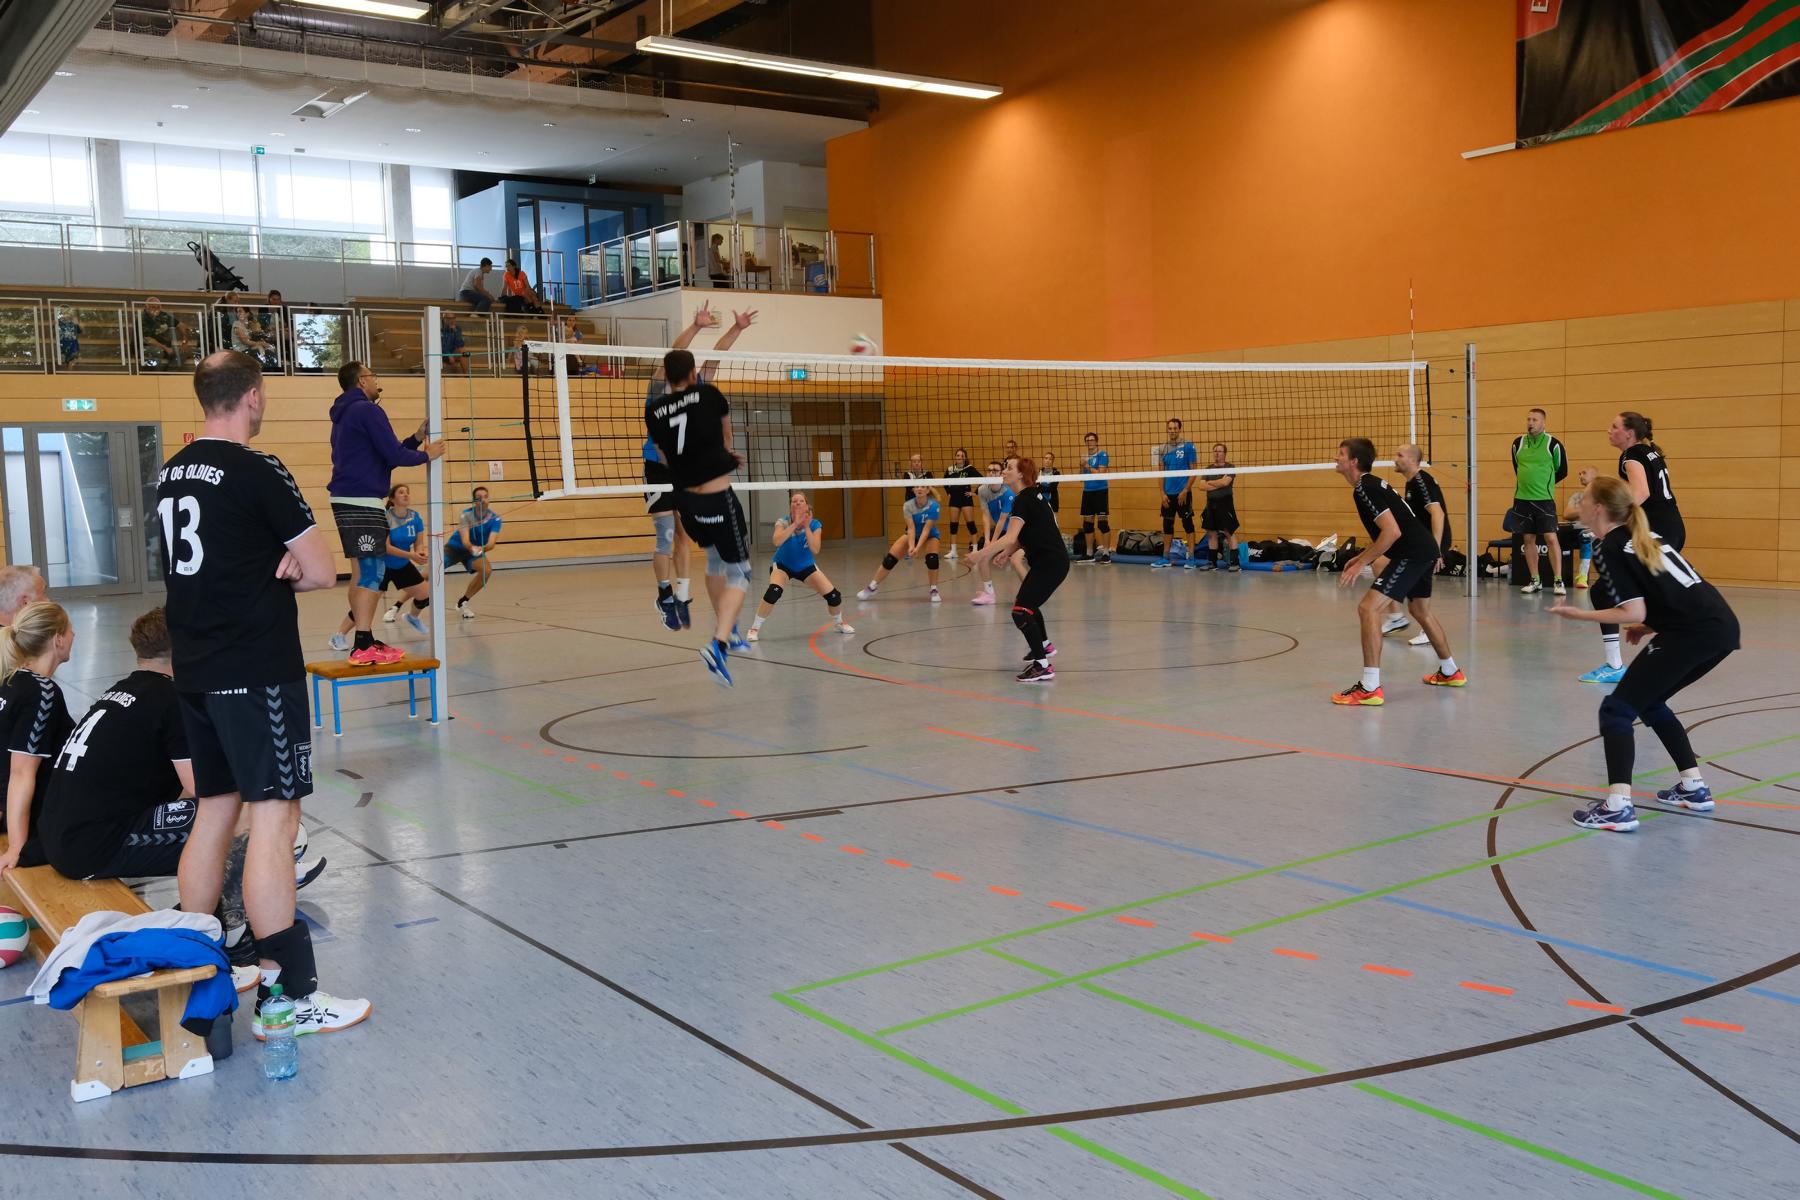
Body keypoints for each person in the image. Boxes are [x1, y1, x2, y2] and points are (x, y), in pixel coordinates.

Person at [158, 349, 368, 1037]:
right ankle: (287, 999)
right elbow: (323, 572)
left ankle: (206, 968)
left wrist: (264, 562)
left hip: (194, 670)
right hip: (254, 670)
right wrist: (282, 567)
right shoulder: (258, 467)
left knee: (215, 810)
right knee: (275, 820)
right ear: (252, 395)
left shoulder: (170, 472)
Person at [36, 609, 322, 960]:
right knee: (254, 824)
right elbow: (205, 789)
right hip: (90, 847)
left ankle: (225, 896)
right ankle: (234, 922)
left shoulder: (123, 689)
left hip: (62, 836)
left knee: (230, 819)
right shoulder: (170, 699)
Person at [1548, 475, 1737, 831]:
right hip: (1721, 627)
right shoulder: (1642, 535)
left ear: (1598, 508)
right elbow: (1672, 592)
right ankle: (1694, 787)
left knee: (1616, 710)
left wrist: (1579, 614)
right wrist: (1648, 625)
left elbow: (1631, 610)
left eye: (1583, 498)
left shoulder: (1610, 546)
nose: (1577, 504)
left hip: (1692, 632)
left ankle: (1618, 807)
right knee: (1650, 702)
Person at [645, 347, 753, 686]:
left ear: (667, 375)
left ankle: (727, 627)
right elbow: (727, 437)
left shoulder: (655, 410)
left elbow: (663, 454)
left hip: (686, 503)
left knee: (714, 560)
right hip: (717, 499)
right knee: (741, 573)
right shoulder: (709, 395)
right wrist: (726, 457)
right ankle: (719, 644)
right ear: (693, 374)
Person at [1330, 438, 1464, 706]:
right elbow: (1391, 529)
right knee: (1420, 611)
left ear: (1354, 461)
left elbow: (1392, 532)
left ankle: (1369, 688)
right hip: (1423, 549)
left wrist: (1361, 563)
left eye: (1341, 454)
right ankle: (1450, 671)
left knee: (1368, 609)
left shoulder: (1364, 488)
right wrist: (1362, 556)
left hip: (1412, 553)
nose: (1336, 458)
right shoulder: (1370, 484)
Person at [327, 361, 445, 664]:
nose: (376, 379)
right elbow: (394, 454)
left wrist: (416, 438)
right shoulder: (367, 410)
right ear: (361, 381)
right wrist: (426, 455)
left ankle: (363, 639)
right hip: (361, 501)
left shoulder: (346, 413)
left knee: (360, 573)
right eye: (372, 375)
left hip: (347, 499)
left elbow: (385, 455)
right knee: (372, 573)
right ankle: (362, 644)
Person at [1577, 411, 1689, 685]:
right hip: (1670, 527)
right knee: (1656, 592)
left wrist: (1610, 522)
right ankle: (1674, 651)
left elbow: (1641, 492)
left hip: (1657, 530)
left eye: (1614, 426)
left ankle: (1615, 665)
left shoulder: (1632, 455)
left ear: (1629, 433)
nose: (1609, 430)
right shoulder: (1649, 452)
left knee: (1604, 591)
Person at [968, 457, 1069, 684]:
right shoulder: (1031, 496)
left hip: (1050, 563)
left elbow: (1010, 536)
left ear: (1021, 474)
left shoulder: (1024, 499)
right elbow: (1026, 534)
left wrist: (980, 554)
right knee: (1027, 605)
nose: (1004, 472)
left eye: (1009, 468)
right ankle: (1044, 646)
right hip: (1050, 562)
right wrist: (1007, 552)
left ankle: (1043, 666)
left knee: (1021, 611)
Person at [0, 602, 76, 875]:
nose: (74, 634)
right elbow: (21, 773)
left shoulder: (10, 681)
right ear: (58, 639)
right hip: (30, 817)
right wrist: (16, 848)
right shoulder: (41, 692)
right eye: (70, 629)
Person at [331, 484, 431, 648]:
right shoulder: (385, 518)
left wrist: (420, 552)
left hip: (402, 565)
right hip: (382, 565)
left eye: (407, 492)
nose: (406, 495)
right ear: (392, 498)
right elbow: (386, 547)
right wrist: (411, 556)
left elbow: (418, 543)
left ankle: (412, 617)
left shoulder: (415, 517)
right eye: (401, 492)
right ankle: (338, 636)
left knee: (426, 594)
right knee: (366, 605)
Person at [748, 492, 854, 642]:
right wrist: (794, 524)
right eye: (794, 501)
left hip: (806, 566)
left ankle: (839, 623)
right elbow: (777, 541)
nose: (797, 503)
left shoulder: (815, 524)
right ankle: (754, 628)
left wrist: (806, 526)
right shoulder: (783, 522)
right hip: (783, 566)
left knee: (834, 596)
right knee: (773, 592)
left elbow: (815, 549)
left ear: (806, 505)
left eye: (801, 501)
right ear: (790, 507)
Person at [1384, 444, 1450, 645]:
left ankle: (1426, 629)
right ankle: (1397, 617)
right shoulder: (1412, 482)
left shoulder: (1422, 480)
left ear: (1412, 460)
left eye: (1400, 455)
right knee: (1381, 564)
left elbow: (1438, 513)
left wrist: (1436, 549)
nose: (1395, 458)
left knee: (1418, 593)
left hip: (1430, 544)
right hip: (1420, 543)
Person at [1510, 407, 1568, 596]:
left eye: (1535, 420)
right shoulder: (1517, 443)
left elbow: (1562, 470)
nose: (1530, 423)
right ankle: (1535, 580)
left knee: (1551, 538)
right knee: (1528, 539)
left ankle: (1558, 581)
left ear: (1543, 422)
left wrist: (1544, 484)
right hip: (1522, 499)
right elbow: (1517, 467)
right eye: (1528, 419)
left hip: (1544, 500)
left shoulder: (1554, 444)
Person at [857, 485, 942, 603]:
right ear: (913, 490)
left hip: (930, 536)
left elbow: (926, 530)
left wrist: (917, 548)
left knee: (932, 559)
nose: (919, 489)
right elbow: (911, 528)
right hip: (912, 534)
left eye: (923, 487)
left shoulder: (934, 506)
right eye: (917, 487)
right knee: (889, 560)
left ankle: (934, 590)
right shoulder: (908, 505)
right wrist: (911, 546)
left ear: (927, 490)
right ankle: (872, 587)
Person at [445, 486, 503, 619]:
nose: (483, 500)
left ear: (489, 499)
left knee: (486, 571)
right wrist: (472, 548)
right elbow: (465, 541)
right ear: (474, 501)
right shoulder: (466, 514)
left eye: (485, 497)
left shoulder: (495, 519)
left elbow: (491, 543)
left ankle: (463, 602)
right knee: (429, 572)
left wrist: (481, 549)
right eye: (479, 498)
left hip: (474, 551)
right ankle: (401, 604)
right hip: (455, 547)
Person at [972, 460, 1014, 606]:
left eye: (995, 470)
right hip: (1000, 529)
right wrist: (987, 539)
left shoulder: (1008, 492)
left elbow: (1002, 520)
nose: (991, 473)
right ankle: (989, 594)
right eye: (989, 470)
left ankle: (1030, 595)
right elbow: (985, 515)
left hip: (1014, 530)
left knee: (1017, 561)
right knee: (983, 557)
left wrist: (993, 542)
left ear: (1001, 474)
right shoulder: (982, 490)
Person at [1157, 417, 1198, 559]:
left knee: (1188, 524)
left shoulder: (1188, 446)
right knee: (1167, 526)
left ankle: (1191, 557)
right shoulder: (1162, 449)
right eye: (1170, 428)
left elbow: (1194, 471)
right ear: (1167, 430)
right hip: (1168, 494)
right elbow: (1160, 474)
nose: (1172, 431)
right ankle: (1165, 557)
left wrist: (1186, 490)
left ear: (1179, 429)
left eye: (1175, 428)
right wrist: (1162, 493)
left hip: (1183, 494)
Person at [1195, 442, 1240, 571]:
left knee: (1229, 532)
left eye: (1219, 451)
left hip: (1225, 504)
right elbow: (1201, 486)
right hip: (1211, 505)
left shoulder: (1230, 467)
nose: (1217, 453)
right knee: (1211, 533)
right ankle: (1212, 563)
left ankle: (1235, 563)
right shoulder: (1208, 469)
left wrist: (1210, 482)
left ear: (1224, 454)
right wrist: (1218, 483)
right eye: (1215, 451)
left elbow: (1226, 483)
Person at [1080, 431, 1113, 564]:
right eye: (1087, 440)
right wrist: (1081, 466)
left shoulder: (1102, 455)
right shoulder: (1085, 457)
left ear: (1097, 442)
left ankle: (1106, 553)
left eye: (1092, 440)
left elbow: (1101, 473)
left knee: (1103, 524)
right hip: (1087, 491)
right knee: (1087, 525)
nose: (1090, 442)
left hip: (1100, 491)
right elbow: (1081, 477)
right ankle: (1089, 554)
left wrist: (1087, 465)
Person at [942, 448, 980, 559]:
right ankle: (953, 551)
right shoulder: (950, 469)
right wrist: (949, 492)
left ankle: (975, 550)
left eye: (962, 456)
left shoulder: (969, 469)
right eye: (958, 455)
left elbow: (983, 480)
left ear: (965, 458)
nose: (959, 457)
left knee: (970, 524)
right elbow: (944, 482)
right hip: (954, 500)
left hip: (966, 499)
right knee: (953, 525)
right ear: (955, 457)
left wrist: (974, 493)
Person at [1565, 467, 1597, 590]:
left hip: (1591, 531)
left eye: (1584, 472)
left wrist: (1578, 511)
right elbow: (1567, 514)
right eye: (1579, 473)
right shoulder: (1576, 496)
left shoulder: (1601, 495)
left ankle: (1582, 576)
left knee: (1586, 536)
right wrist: (1587, 509)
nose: (1580, 475)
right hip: (1573, 529)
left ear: (1594, 476)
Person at [140, 296, 182, 370]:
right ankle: (149, 372)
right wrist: (165, 348)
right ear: (146, 307)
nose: (156, 309)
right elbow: (148, 339)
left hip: (164, 346)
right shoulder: (142, 318)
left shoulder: (164, 315)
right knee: (159, 352)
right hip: (146, 347)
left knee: (182, 352)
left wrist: (185, 339)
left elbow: (181, 325)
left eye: (158, 307)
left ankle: (169, 373)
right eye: (153, 307)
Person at [1038, 452, 1063, 530]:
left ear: (1053, 461)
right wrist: (1041, 487)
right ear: (1043, 460)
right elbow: (1036, 488)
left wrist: (1040, 487)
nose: (1048, 460)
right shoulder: (1038, 473)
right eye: (1046, 458)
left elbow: (1052, 488)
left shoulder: (1056, 473)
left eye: (1050, 459)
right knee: (1040, 523)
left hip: (1052, 501)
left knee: (1053, 523)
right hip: (1040, 501)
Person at [440, 311, 468, 375]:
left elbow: (460, 344)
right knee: (460, 352)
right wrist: (448, 354)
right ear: (444, 319)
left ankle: (466, 375)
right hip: (441, 354)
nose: (452, 320)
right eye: (449, 318)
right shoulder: (440, 329)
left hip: (452, 353)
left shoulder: (457, 328)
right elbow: (442, 345)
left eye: (453, 318)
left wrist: (455, 331)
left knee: (463, 351)